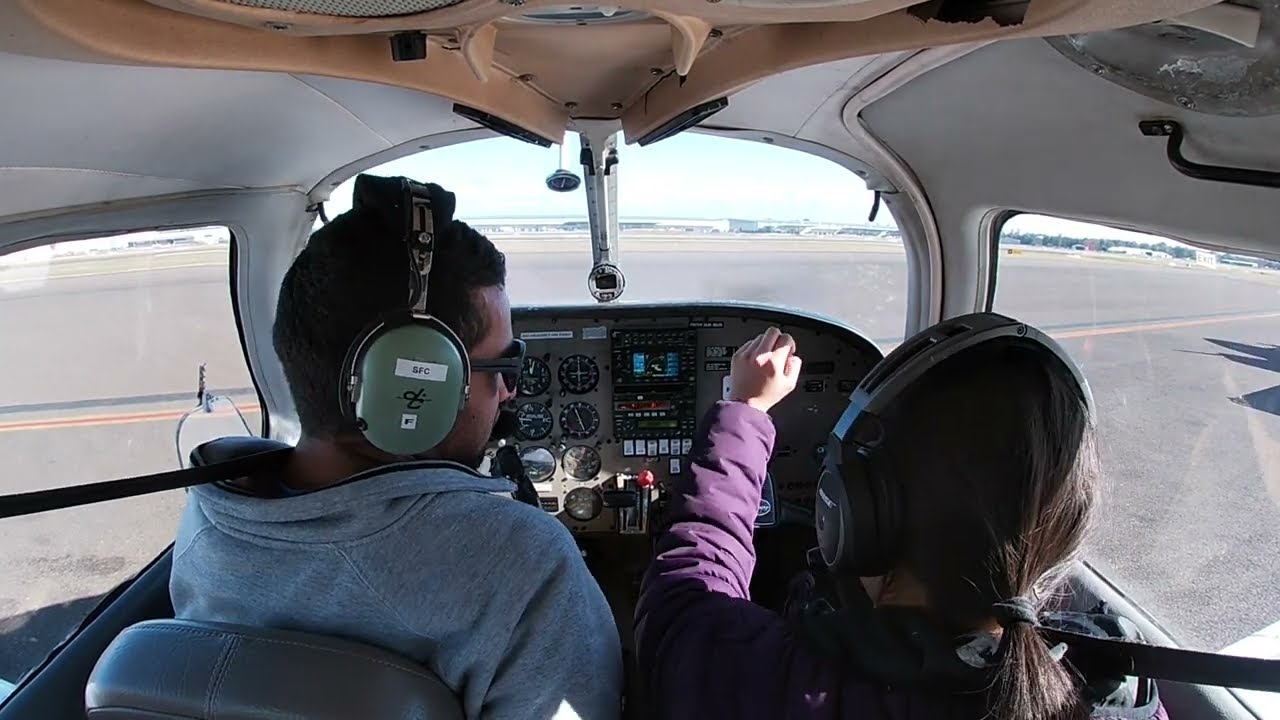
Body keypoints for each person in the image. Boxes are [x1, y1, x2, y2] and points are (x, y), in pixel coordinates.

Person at [170, 178, 623, 720]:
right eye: (502, 366)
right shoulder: (521, 562)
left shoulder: (212, 513)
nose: (510, 391)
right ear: (421, 384)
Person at [635, 322, 1166, 720]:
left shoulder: (781, 682)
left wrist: (746, 408)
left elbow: (684, 599)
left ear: (858, 518)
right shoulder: (1117, 694)